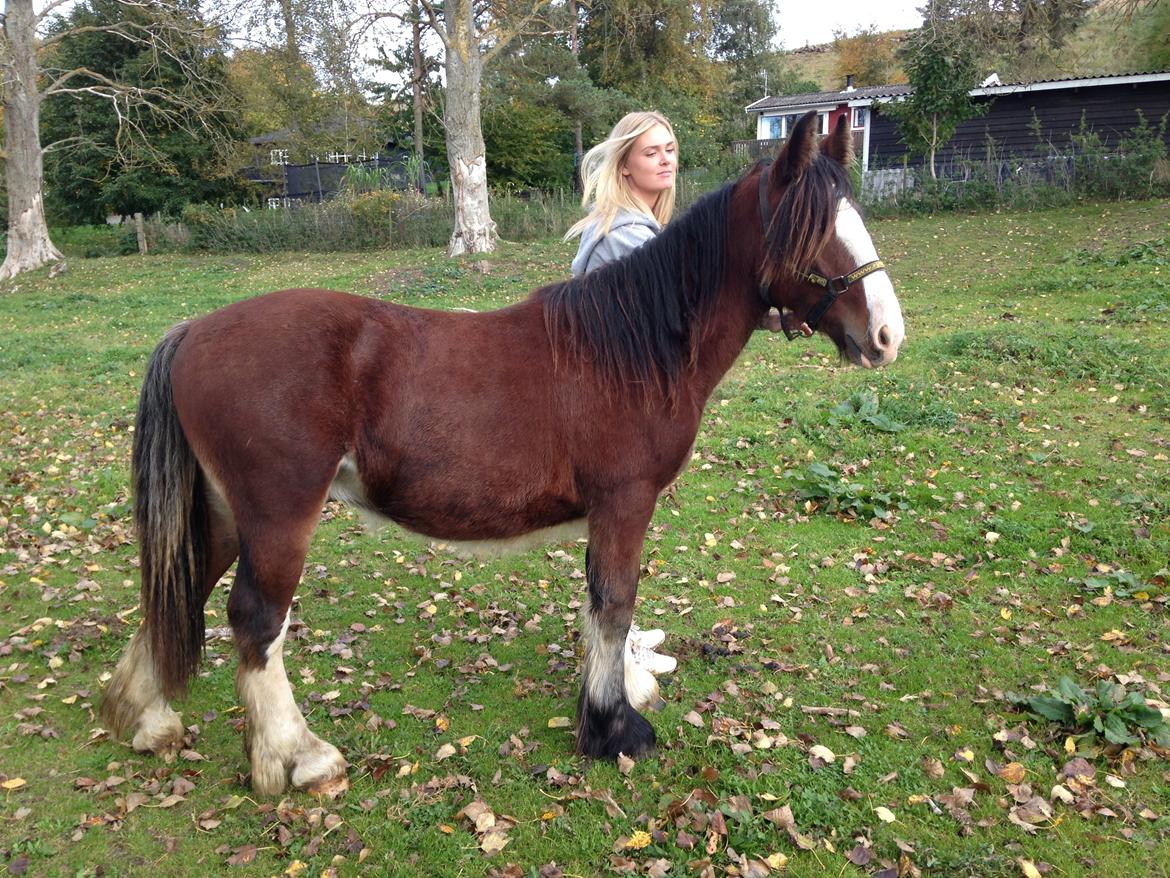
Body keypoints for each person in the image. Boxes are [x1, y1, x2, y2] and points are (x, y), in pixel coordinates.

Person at [565, 111, 679, 706]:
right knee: (618, 520)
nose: (665, 159)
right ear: (624, 164)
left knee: (620, 523)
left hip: (614, 395)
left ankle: (625, 632)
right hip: (613, 403)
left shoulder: (636, 225)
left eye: (670, 149)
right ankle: (619, 640)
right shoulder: (628, 236)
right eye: (651, 152)